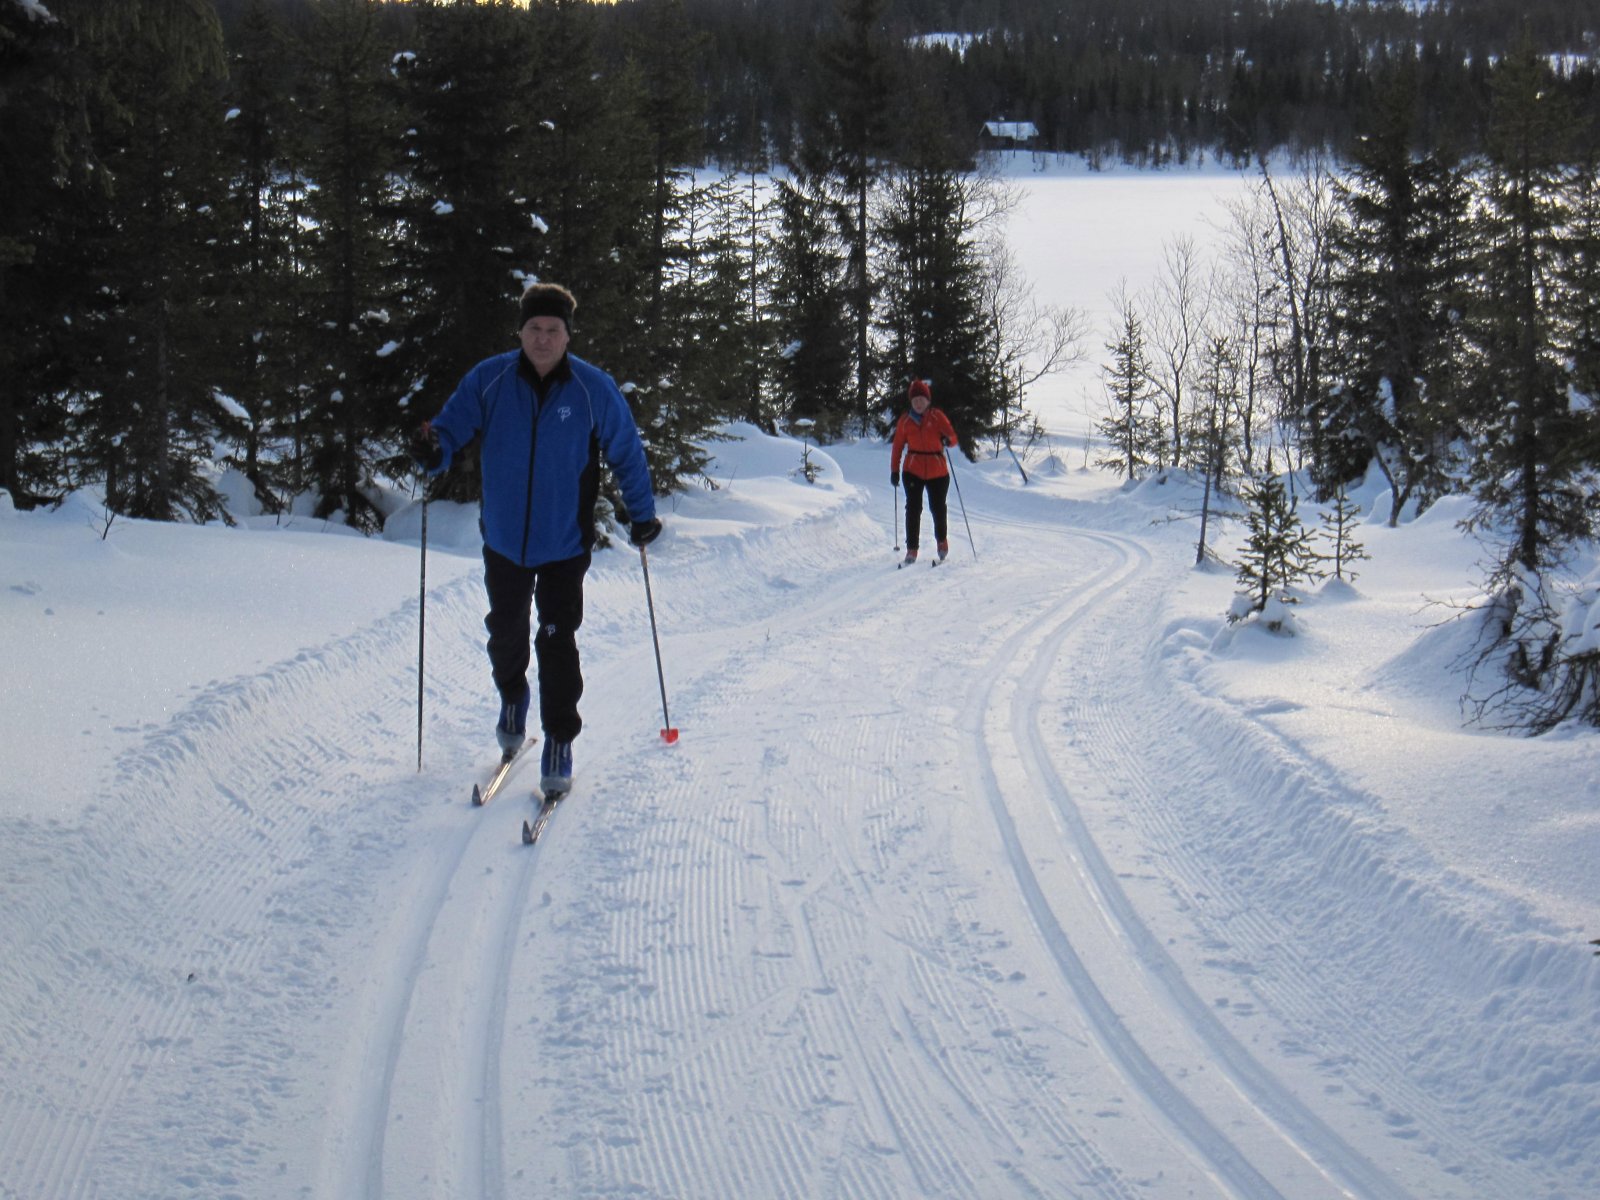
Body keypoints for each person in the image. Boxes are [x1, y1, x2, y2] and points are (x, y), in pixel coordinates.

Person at [410, 283, 661, 797]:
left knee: (556, 640)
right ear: (520, 331)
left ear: (568, 335)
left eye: (553, 330)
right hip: (502, 539)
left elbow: (626, 451)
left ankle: (559, 740)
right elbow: (449, 430)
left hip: (565, 543)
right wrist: (431, 447)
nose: (542, 339)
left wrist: (642, 514)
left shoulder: (593, 388)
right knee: (505, 634)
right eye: (534, 329)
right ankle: (512, 696)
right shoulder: (490, 379)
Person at [889, 378, 958, 565]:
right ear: (911, 402)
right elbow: (897, 447)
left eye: (922, 399)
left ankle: (942, 541)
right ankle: (912, 549)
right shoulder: (905, 421)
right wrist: (894, 470)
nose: (918, 403)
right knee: (913, 508)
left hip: (938, 471)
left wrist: (947, 440)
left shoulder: (937, 417)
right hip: (913, 470)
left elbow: (952, 437)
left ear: (928, 401)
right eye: (915, 400)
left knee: (937, 507)